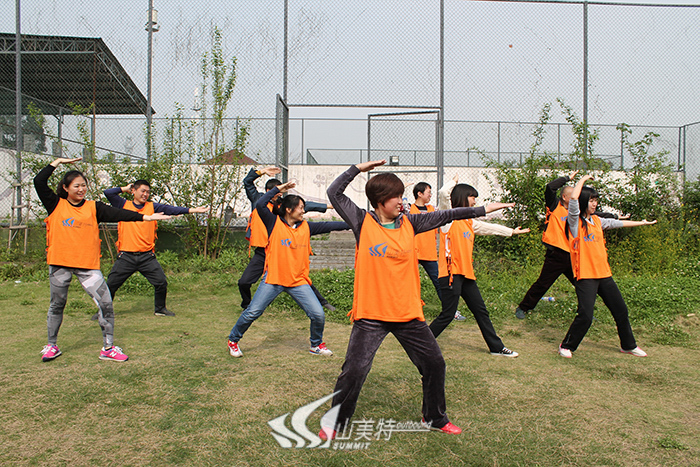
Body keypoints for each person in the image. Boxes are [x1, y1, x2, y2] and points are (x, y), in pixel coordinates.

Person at [321, 160, 515, 439]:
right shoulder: (362, 222)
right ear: (379, 200)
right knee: (354, 371)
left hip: (408, 313)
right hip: (371, 314)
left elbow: (450, 214)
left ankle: (434, 418)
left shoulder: (411, 222)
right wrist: (358, 169)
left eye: (402, 195)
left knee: (434, 364)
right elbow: (334, 192)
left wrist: (483, 209)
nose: (401, 201)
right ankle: (335, 423)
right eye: (396, 197)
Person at [34, 157, 170, 363]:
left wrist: (146, 217)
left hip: (87, 266)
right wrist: (57, 162)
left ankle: (108, 348)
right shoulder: (55, 204)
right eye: (76, 186)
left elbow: (119, 213)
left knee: (106, 303)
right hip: (60, 264)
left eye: (84, 185)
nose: (81, 189)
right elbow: (39, 181)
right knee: (57, 304)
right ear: (66, 188)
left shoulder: (93, 207)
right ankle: (52, 345)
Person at [227, 181, 349, 357]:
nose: (303, 211)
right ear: (289, 210)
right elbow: (260, 204)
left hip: (298, 281)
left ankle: (316, 345)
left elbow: (332, 226)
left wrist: (355, 222)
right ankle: (233, 340)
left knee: (318, 314)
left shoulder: (307, 227)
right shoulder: (273, 223)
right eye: (301, 208)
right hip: (274, 279)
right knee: (253, 312)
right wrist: (279, 189)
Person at [428, 179, 528, 357]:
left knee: (481, 311)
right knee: (448, 315)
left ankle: (496, 347)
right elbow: (443, 194)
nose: (474, 201)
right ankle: (421, 342)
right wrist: (453, 182)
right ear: (462, 197)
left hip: (466, 274)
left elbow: (489, 227)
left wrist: (511, 232)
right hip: (451, 274)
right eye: (472, 197)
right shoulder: (447, 219)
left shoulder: (469, 222)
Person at [558, 174, 655, 358]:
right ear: (584, 201)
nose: (595, 204)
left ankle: (628, 345)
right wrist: (583, 179)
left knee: (621, 310)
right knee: (586, 315)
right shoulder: (574, 222)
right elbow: (574, 199)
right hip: (586, 275)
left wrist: (642, 223)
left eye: (596, 200)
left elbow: (618, 223)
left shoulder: (597, 221)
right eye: (591, 200)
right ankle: (566, 345)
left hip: (604, 274)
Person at [515, 171, 625, 319]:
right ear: (565, 197)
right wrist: (568, 178)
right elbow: (549, 187)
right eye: (574, 195)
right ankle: (523, 307)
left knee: (583, 285)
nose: (577, 197)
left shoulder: (578, 212)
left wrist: (616, 216)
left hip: (574, 255)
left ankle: (585, 313)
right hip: (556, 255)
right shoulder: (555, 206)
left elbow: (599, 215)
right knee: (543, 283)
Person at [93, 181, 208, 318]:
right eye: (142, 191)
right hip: (126, 256)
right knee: (111, 285)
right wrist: (125, 188)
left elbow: (172, 209)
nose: (145, 194)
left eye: (147, 192)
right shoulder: (123, 205)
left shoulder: (152, 207)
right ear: (134, 191)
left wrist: (194, 210)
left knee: (161, 282)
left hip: (146, 257)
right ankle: (103, 312)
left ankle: (160, 309)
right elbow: (108, 193)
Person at [238, 166, 336, 311]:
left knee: (299, 277)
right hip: (263, 251)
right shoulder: (258, 200)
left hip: (280, 250)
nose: (279, 196)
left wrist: (328, 206)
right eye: (277, 192)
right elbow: (247, 182)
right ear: (269, 191)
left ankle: (322, 302)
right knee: (244, 282)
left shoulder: (282, 205)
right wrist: (262, 171)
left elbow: (305, 205)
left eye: (281, 193)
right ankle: (247, 304)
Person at [410, 182, 466, 322]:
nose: (430, 195)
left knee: (440, 283)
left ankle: (451, 311)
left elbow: (445, 205)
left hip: (429, 253)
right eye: (428, 192)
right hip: (412, 253)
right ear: (419, 194)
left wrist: (452, 185)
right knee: (409, 283)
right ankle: (409, 311)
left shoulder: (433, 210)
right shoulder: (409, 209)